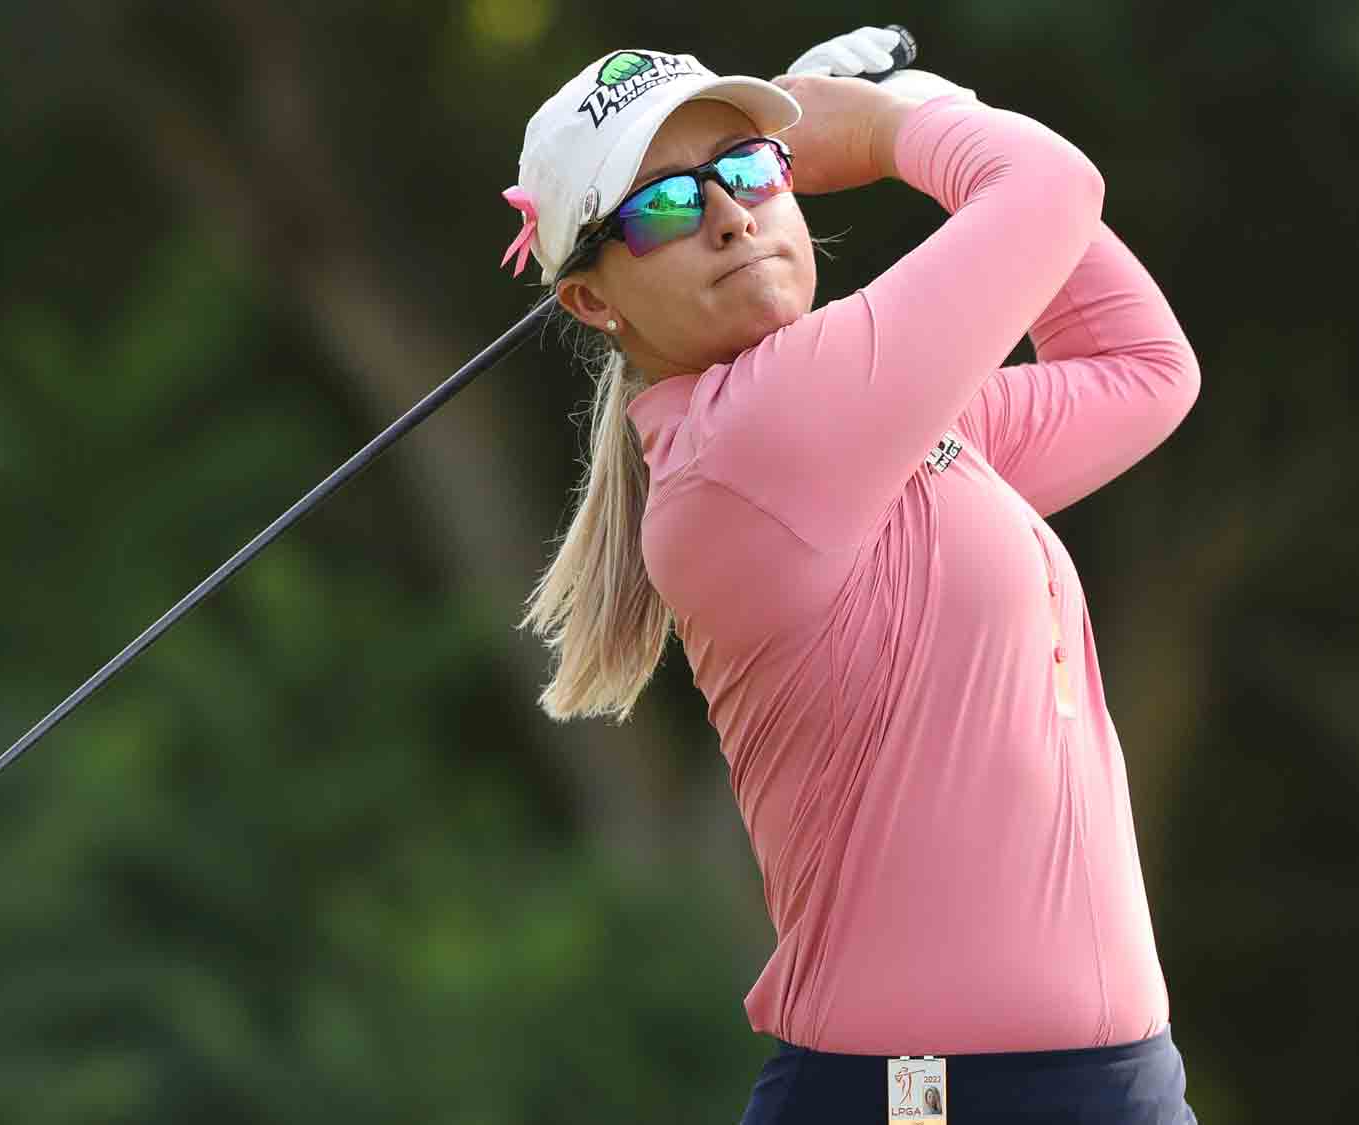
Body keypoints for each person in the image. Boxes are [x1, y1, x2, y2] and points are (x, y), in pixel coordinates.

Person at [509, 27, 1202, 1125]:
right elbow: (1049, 184)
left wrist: (922, 108)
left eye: (746, 169)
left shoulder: (868, 428)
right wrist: (896, 127)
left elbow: (1140, 370)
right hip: (928, 1104)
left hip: (1100, 1087)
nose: (731, 213)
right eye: (665, 209)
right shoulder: (763, 432)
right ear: (593, 302)